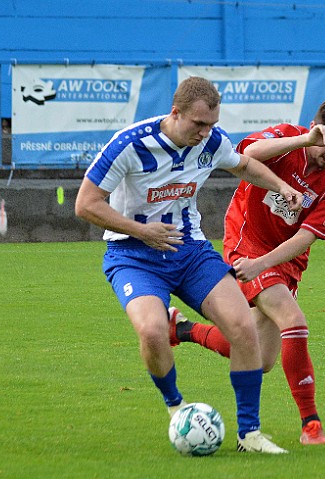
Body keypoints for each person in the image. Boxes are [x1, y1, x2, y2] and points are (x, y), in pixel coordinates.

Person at [75, 76, 305, 454]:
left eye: (211, 124)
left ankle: (249, 435)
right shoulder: (130, 144)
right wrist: (141, 230)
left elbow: (243, 164)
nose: (206, 132)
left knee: (243, 327)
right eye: (198, 124)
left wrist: (281, 186)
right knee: (151, 331)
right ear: (175, 112)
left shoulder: (212, 141)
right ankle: (177, 409)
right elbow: (86, 204)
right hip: (133, 254)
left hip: (190, 251)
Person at [169, 93, 325, 445]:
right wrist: (306, 141)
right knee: (295, 321)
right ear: (314, 129)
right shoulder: (286, 137)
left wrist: (266, 263)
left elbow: (307, 236)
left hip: (281, 261)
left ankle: (182, 330)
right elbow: (244, 157)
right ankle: (311, 426)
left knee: (260, 359)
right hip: (245, 243)